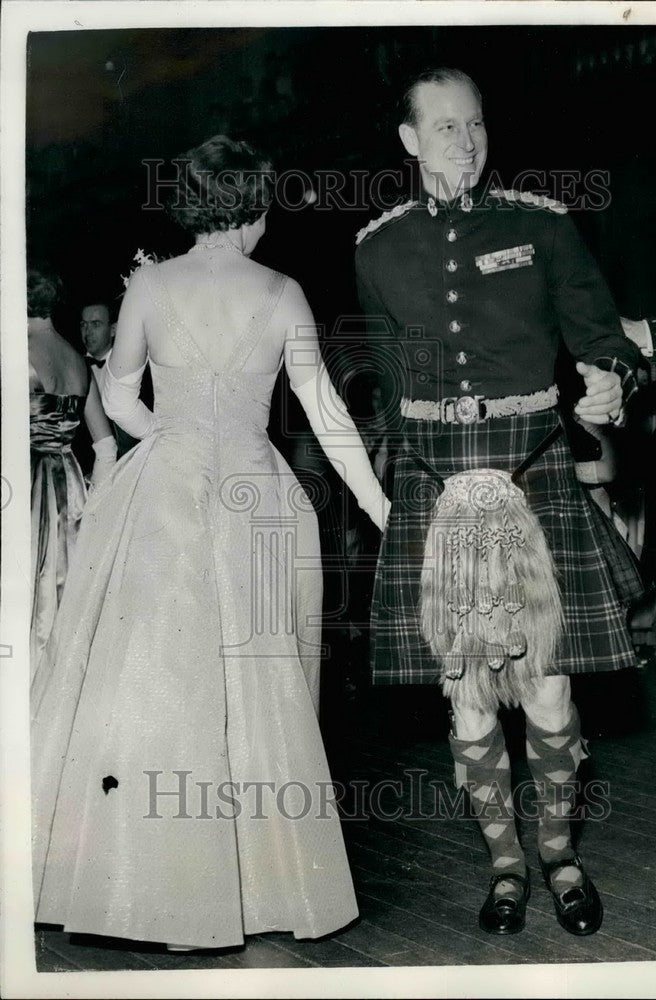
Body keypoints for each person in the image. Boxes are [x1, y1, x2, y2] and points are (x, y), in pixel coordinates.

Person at [31, 136, 389, 950]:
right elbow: (327, 414)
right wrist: (382, 508)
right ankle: (261, 886)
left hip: (167, 491)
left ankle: (156, 893)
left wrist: (172, 435)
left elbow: (119, 396)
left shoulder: (151, 286)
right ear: (255, 208)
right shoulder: (283, 291)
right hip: (258, 499)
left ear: (190, 205)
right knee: (261, 687)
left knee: (164, 684)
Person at [355, 68, 644, 937]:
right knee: (468, 696)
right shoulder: (377, 248)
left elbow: (602, 340)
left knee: (549, 692)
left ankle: (560, 856)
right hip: (435, 482)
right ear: (410, 141)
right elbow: (386, 380)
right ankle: (505, 866)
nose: (467, 142)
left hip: (534, 469)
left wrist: (609, 382)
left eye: (475, 124)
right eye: (446, 127)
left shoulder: (541, 226)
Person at [28, 266, 116, 678]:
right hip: (70, 483)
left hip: (30, 481)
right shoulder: (77, 361)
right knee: (61, 597)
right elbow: (106, 447)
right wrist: (92, 502)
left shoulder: (20, 351)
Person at [81, 297, 149, 457]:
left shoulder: (130, 370)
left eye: (95, 324)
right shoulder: (74, 366)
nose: (87, 332)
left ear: (113, 330)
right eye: (83, 325)